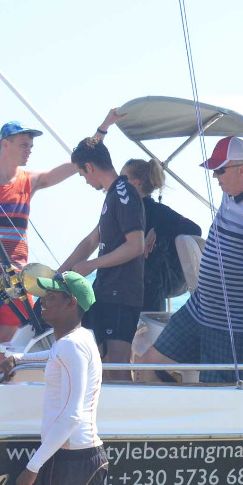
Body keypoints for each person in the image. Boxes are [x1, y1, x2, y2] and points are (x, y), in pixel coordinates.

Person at [138, 136, 243, 383]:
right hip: (201, 308)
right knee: (146, 368)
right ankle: (175, 420)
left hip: (236, 328)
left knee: (221, 399)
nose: (216, 178)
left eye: (220, 171)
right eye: (214, 172)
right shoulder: (234, 189)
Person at [0, 121, 78, 380]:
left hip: (17, 282)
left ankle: (2, 402)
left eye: (31, 146)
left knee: (9, 355)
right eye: (24, 145)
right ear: (5, 145)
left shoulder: (29, 181)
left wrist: (99, 135)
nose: (29, 150)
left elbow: (69, 168)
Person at [10, 271, 107, 485]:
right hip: (61, 456)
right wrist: (19, 360)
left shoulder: (72, 347)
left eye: (50, 299)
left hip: (77, 459)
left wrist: (32, 467)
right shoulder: (77, 339)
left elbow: (73, 416)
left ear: (70, 303)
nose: (42, 304)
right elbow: (52, 355)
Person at [58, 127, 145, 380]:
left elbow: (136, 245)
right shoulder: (111, 197)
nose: (85, 181)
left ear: (89, 167)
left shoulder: (124, 193)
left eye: (81, 174)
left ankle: (126, 417)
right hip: (106, 292)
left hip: (122, 294)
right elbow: (91, 240)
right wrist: (59, 273)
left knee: (116, 367)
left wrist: (91, 265)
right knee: (101, 365)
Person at [122, 157, 202, 313]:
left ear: (136, 183)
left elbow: (195, 229)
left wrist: (157, 231)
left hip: (151, 287)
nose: (118, 185)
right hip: (130, 287)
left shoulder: (157, 211)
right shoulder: (126, 211)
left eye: (122, 179)